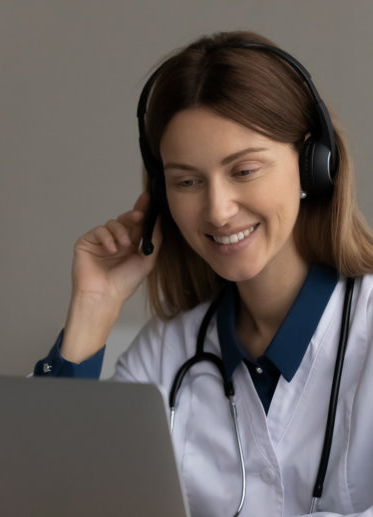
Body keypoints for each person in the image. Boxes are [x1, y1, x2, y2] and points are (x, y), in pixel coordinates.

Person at [34, 31, 373, 516]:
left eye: (244, 170)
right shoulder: (166, 356)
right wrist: (94, 306)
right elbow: (45, 493)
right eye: (187, 181)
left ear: (313, 165)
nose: (217, 211)